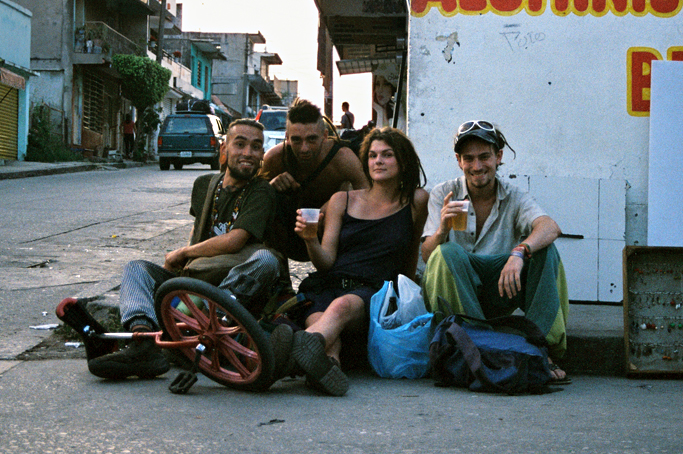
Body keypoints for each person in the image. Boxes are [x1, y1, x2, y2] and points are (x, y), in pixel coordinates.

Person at [88, 119, 288, 380]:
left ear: (262, 154)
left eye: (256, 147)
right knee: (136, 269)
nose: (248, 153)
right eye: (240, 144)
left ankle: (204, 328)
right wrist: (178, 265)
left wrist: (182, 254)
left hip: (231, 285)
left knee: (265, 261)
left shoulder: (262, 191)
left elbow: (235, 241)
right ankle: (143, 343)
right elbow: (198, 232)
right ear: (224, 149)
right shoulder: (205, 184)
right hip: (197, 280)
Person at [420, 120, 570, 384]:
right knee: (446, 253)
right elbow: (426, 256)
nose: (477, 166)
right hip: (459, 291)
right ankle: (469, 346)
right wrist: (442, 229)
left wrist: (519, 252)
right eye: (469, 159)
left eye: (484, 157)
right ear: (459, 161)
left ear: (498, 157)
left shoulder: (514, 195)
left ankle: (540, 349)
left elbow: (549, 227)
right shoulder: (443, 193)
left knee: (546, 251)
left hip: (502, 287)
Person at [288, 127, 429, 396]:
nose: (378, 161)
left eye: (387, 155)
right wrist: (309, 239)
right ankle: (330, 368)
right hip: (327, 285)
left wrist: (405, 304)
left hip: (372, 293)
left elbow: (411, 254)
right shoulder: (342, 200)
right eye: (373, 155)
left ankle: (284, 359)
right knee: (327, 329)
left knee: (341, 307)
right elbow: (326, 262)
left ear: (403, 160)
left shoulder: (415, 200)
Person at [259, 99, 369, 262]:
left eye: (311, 139)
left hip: (329, 233)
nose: (304, 148)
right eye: (297, 140)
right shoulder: (275, 158)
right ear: (287, 137)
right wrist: (270, 188)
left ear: (324, 136)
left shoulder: (342, 158)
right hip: (287, 236)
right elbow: (252, 205)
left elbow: (369, 199)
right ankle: (279, 279)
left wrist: (338, 204)